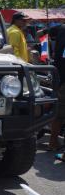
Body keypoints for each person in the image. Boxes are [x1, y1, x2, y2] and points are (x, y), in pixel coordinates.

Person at [37, 23, 65, 151]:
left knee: (59, 112)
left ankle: (53, 142)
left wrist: (48, 47)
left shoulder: (60, 28)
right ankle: (53, 142)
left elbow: (39, 34)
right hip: (62, 77)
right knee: (59, 113)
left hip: (58, 74)